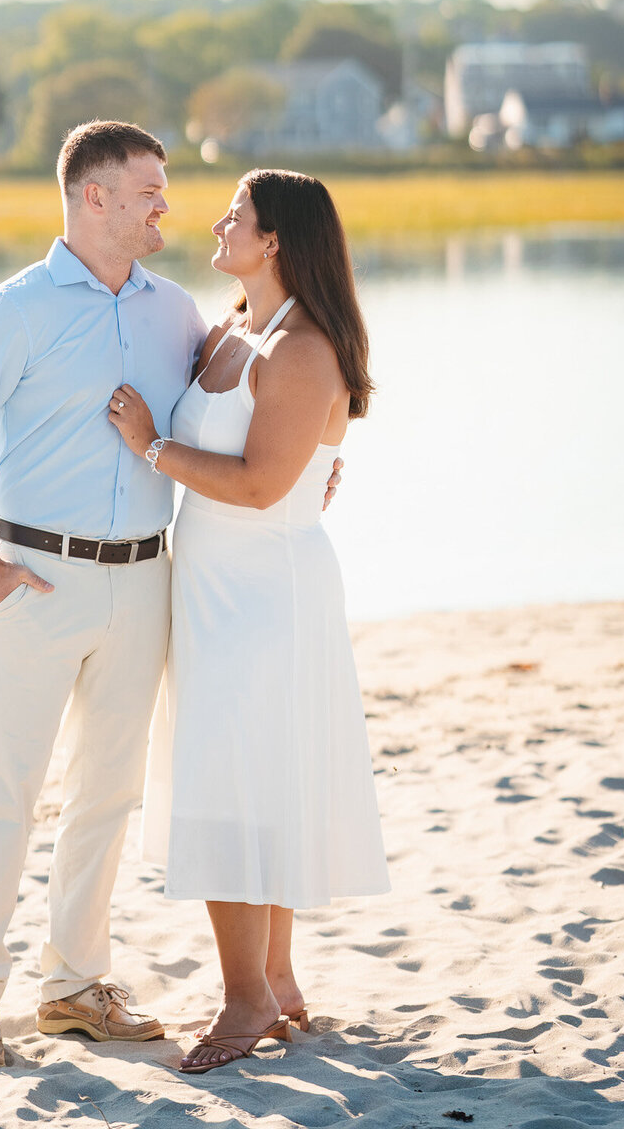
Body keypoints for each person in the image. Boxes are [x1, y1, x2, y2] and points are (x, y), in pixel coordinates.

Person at [0, 121, 344, 1067]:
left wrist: (318, 469)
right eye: (149, 188)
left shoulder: (179, 314)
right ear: (94, 196)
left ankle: (74, 984)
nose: (167, 203)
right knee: (6, 793)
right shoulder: (15, 310)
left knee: (107, 796)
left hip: (150, 579)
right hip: (34, 577)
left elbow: (255, 417)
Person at [108, 168, 389, 1073]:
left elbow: (265, 485)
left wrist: (151, 444)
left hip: (267, 594)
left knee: (232, 785)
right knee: (246, 776)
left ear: (275, 241)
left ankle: (245, 999)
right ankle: (277, 980)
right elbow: (283, 465)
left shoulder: (301, 346)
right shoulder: (230, 329)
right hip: (216, 582)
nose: (218, 222)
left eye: (238, 214)